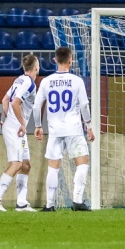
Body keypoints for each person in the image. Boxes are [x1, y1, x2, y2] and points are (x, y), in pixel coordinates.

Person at [32, 48, 93, 211]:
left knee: (53, 166)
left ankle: (49, 205)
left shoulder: (46, 81)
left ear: (55, 60)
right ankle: (77, 200)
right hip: (74, 129)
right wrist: (89, 126)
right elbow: (84, 105)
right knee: (82, 161)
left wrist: (38, 126)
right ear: (70, 61)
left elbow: (37, 106)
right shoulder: (77, 81)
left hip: (55, 131)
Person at [0, 55, 39, 212]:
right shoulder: (29, 83)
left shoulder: (19, 80)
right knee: (16, 164)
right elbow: (15, 102)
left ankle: (21, 203)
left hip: (15, 127)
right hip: (16, 128)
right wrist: (21, 123)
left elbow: (5, 100)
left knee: (26, 164)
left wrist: (9, 118)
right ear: (36, 67)